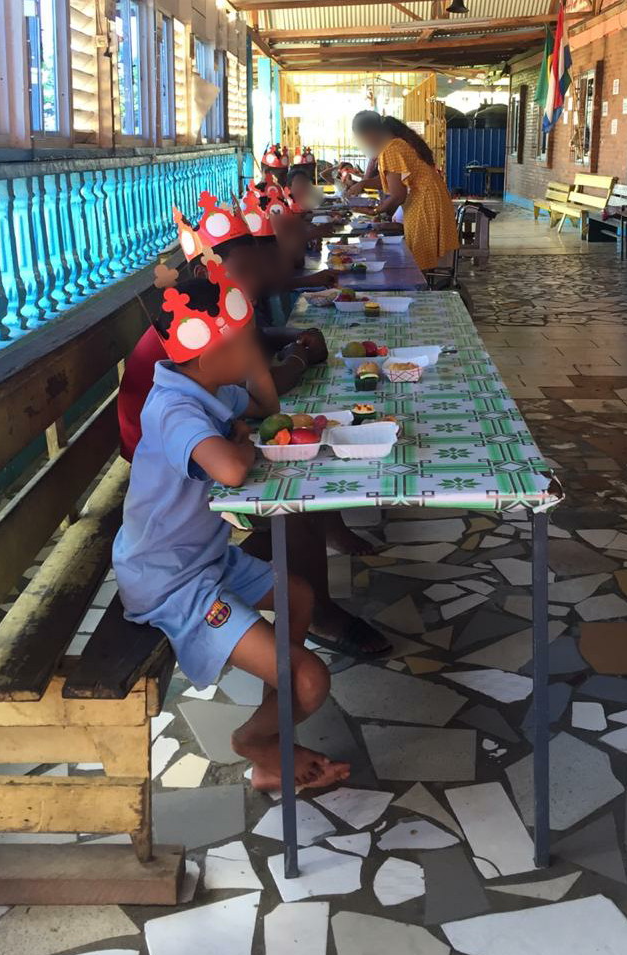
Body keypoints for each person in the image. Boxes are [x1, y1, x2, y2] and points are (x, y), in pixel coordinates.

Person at [119, 196, 388, 659]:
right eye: (244, 271)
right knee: (293, 496)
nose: (256, 281)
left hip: (195, 445)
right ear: (206, 271)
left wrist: (277, 351)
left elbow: (260, 384)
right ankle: (321, 612)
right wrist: (291, 359)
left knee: (296, 466)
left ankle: (324, 539)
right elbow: (240, 436)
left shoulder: (207, 326)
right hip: (166, 466)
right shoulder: (194, 339)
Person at [113, 266, 350, 791]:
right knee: (310, 678)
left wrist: (251, 359)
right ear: (207, 357)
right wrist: (240, 443)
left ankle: (273, 735)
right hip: (169, 580)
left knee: (298, 596)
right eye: (242, 341)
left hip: (204, 557)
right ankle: (255, 743)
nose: (254, 344)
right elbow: (232, 470)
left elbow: (267, 406)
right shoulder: (175, 408)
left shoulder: (207, 387)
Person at [347, 110, 459, 272]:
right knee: (420, 257)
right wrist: (363, 184)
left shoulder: (391, 149)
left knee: (418, 260)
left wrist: (376, 211)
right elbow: (393, 181)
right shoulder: (396, 144)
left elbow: (398, 195)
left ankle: (420, 286)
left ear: (370, 133)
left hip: (424, 203)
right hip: (429, 198)